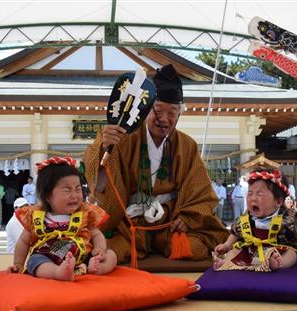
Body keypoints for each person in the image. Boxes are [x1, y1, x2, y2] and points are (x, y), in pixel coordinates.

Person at [82, 64, 229, 264]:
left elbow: (201, 190)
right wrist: (103, 146)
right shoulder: (124, 137)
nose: (165, 119)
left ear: (179, 114)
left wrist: (188, 218)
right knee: (105, 249)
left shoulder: (187, 145)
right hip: (128, 222)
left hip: (169, 222)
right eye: (158, 110)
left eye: (172, 112)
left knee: (194, 248)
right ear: (145, 110)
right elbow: (99, 177)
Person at [7, 157, 117, 281]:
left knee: (111, 255)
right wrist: (18, 264)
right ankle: (58, 272)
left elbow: (97, 235)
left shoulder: (85, 213)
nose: (74, 195)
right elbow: (23, 242)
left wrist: (100, 249)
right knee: (35, 261)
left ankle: (97, 267)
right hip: (48, 257)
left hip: (82, 255)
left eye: (78, 189)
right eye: (67, 190)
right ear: (48, 196)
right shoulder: (36, 215)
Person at [213, 168, 297, 272]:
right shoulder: (246, 217)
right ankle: (226, 262)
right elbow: (235, 233)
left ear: (279, 201)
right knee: (234, 250)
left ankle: (278, 263)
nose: (253, 198)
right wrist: (226, 245)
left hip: (278, 250)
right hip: (251, 251)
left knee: (292, 254)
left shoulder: (287, 215)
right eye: (250, 193)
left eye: (259, 194)